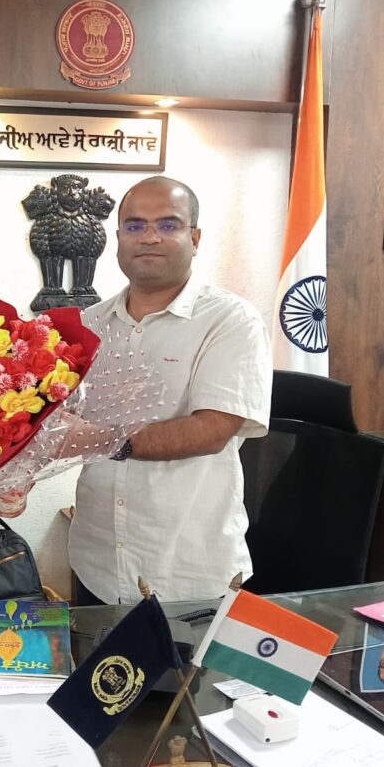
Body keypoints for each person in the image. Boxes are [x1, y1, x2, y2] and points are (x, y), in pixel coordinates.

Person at [69, 176, 272, 604]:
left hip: (186, 571)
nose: (149, 237)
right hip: (95, 560)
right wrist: (16, 474)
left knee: (182, 656)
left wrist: (100, 440)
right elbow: (60, 419)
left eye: (167, 224)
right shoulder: (88, 325)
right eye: (135, 225)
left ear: (194, 239)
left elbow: (212, 430)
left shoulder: (231, 321)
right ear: (118, 238)